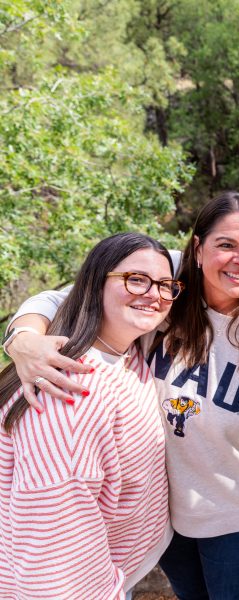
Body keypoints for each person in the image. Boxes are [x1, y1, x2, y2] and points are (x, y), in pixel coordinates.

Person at [5, 192, 239, 599]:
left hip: (232, 518)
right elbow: (64, 296)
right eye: (225, 244)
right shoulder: (163, 285)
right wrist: (24, 340)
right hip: (163, 517)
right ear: (198, 250)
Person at [0, 233, 177, 598]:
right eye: (136, 280)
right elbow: (55, 559)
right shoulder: (68, 391)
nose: (154, 294)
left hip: (113, 567)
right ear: (95, 283)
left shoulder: (123, 350)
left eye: (164, 285)